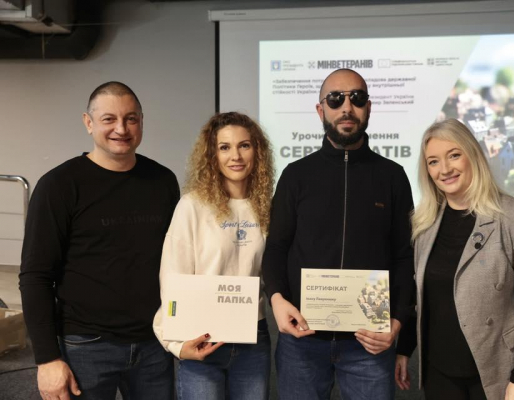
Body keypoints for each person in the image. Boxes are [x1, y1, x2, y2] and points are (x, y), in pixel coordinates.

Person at [19, 81, 180, 400]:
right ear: (88, 122)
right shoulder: (59, 185)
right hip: (86, 345)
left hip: (154, 342)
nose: (121, 128)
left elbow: (176, 260)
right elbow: (35, 276)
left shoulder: (162, 181)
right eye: (109, 119)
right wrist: (47, 359)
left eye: (131, 119)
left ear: (141, 122)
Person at [262, 68, 415, 400]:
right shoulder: (295, 175)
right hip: (303, 339)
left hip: (369, 341)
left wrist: (398, 321)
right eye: (335, 99)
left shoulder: (392, 176)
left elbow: (404, 256)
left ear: (368, 108)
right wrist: (276, 299)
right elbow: (276, 247)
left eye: (357, 98)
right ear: (321, 110)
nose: (347, 107)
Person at [400, 118, 514, 400]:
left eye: (454, 155)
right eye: (433, 162)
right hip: (439, 370)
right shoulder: (424, 224)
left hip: (498, 369)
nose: (444, 169)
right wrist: (404, 349)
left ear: (473, 155)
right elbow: (420, 297)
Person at [153, 112, 275, 400]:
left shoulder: (267, 207)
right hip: (201, 338)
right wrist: (175, 344)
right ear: (212, 155)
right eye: (224, 147)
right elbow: (172, 277)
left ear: (257, 151)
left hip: (252, 339)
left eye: (244, 145)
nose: (236, 156)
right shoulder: (192, 206)